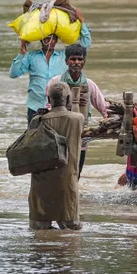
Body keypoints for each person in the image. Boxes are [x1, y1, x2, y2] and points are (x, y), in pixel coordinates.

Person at [9, 9, 92, 124]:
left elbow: (85, 46)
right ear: (41, 39)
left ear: (56, 40)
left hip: (60, 107)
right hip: (35, 107)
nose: (49, 41)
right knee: (34, 138)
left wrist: (82, 23)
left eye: (52, 38)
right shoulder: (31, 57)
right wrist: (22, 52)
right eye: (46, 38)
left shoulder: (64, 55)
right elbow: (13, 73)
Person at [28, 82, 85, 230]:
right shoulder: (77, 119)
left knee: (39, 229)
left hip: (41, 181)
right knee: (72, 228)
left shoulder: (37, 120)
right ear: (67, 100)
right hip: (66, 180)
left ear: (48, 100)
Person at [46, 44, 108, 178]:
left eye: (80, 59)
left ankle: (72, 196)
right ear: (66, 61)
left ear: (84, 61)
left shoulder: (89, 85)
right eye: (73, 59)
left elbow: (103, 107)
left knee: (76, 173)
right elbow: (49, 108)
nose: (76, 62)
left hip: (81, 133)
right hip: (59, 133)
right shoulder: (55, 82)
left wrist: (109, 120)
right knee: (58, 172)